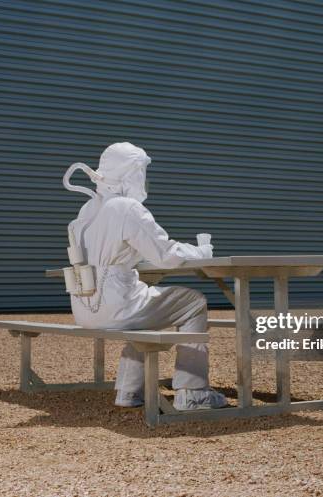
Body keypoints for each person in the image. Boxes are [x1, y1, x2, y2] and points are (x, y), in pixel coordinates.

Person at [64, 142, 227, 411]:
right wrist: (202, 251)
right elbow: (166, 253)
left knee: (147, 306)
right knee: (193, 301)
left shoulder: (88, 210)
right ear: (131, 173)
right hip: (116, 305)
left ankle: (128, 391)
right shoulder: (126, 208)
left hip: (84, 308)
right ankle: (193, 391)